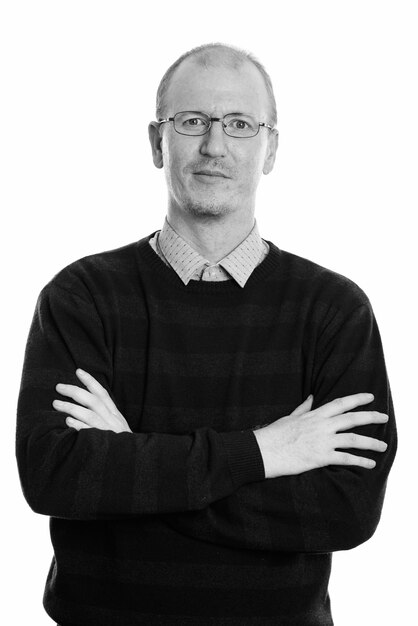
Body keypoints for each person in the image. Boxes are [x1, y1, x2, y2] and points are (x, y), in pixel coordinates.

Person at [16, 43, 397, 626]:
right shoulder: (81, 297)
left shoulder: (334, 310)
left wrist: (133, 463)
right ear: (156, 142)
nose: (215, 145)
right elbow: (56, 477)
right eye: (192, 121)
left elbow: (345, 512)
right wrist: (265, 452)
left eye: (241, 125)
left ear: (270, 149)